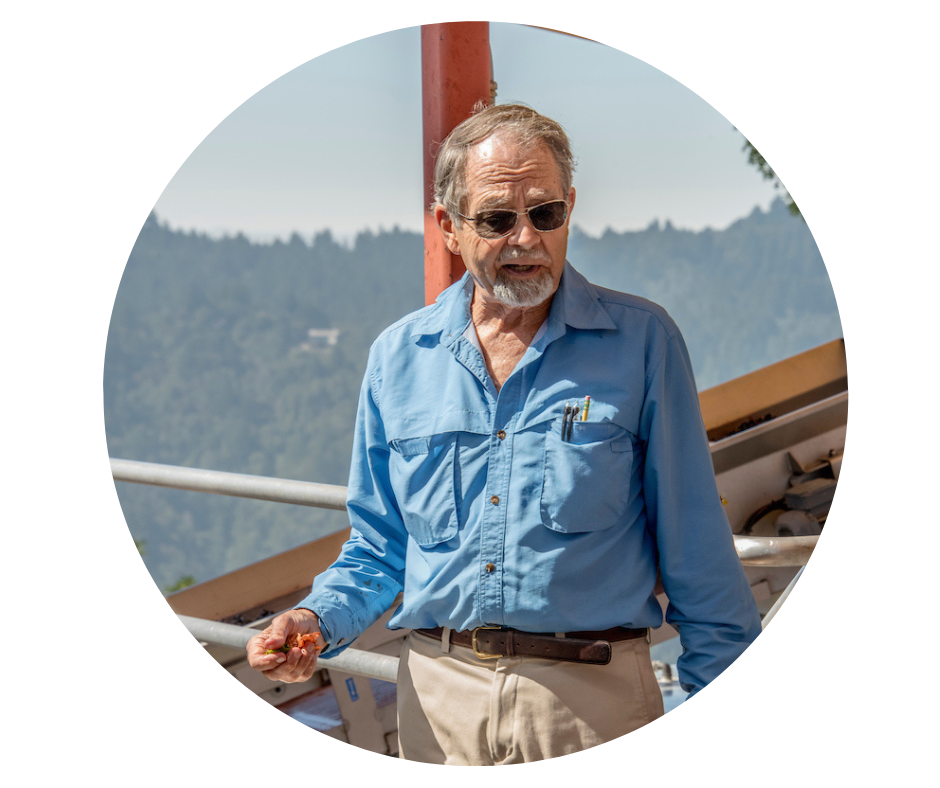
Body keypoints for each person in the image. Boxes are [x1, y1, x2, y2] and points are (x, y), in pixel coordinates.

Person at [247, 103, 761, 764]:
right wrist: (315, 622)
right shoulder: (397, 359)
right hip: (437, 706)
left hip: (593, 705)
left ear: (569, 208)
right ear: (448, 227)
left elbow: (698, 553)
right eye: (496, 219)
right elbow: (378, 548)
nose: (525, 238)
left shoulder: (642, 343)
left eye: (545, 213)